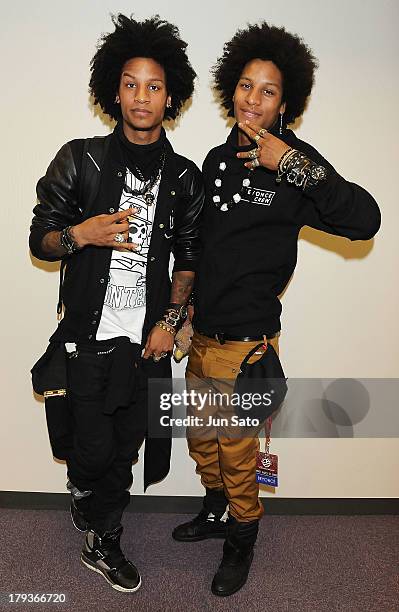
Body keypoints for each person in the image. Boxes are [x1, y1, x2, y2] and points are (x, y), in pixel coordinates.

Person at [172, 22, 381, 597]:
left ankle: (243, 538)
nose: (253, 99)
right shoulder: (213, 160)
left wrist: (291, 165)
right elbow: (200, 251)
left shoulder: (297, 165)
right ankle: (216, 511)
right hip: (204, 337)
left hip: (247, 345)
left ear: (286, 103)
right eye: (245, 86)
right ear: (230, 90)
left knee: (238, 456)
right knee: (201, 441)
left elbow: (365, 220)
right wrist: (181, 316)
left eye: (267, 91)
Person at [29, 14, 203, 593]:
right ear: (113, 89)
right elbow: (42, 239)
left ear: (170, 94)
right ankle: (93, 512)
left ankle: (101, 529)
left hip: (146, 343)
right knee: (91, 448)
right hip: (87, 339)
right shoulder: (81, 159)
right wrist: (84, 234)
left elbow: (189, 258)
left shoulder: (184, 178)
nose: (142, 96)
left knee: (125, 447)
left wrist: (170, 321)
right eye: (131, 83)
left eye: (154, 85)